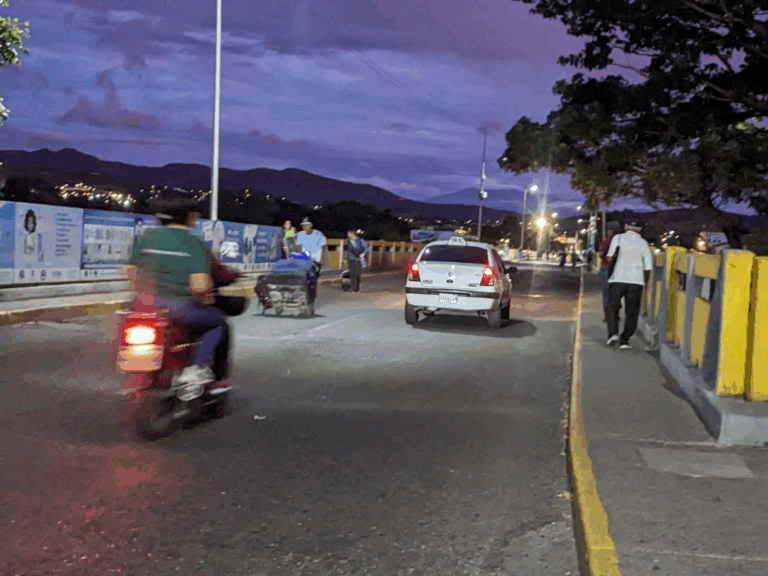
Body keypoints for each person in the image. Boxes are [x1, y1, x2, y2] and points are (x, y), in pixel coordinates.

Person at [127, 199, 229, 390]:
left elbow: (131, 272)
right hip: (179, 309)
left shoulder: (146, 237)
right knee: (218, 322)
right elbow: (199, 286)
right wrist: (206, 297)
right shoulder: (193, 244)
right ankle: (196, 367)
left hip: (145, 308)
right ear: (190, 217)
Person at [605, 221, 653, 350]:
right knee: (632, 311)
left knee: (612, 307)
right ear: (640, 228)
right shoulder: (643, 243)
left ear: (625, 227)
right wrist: (646, 282)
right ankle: (625, 340)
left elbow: (609, 257)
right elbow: (648, 266)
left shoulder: (618, 238)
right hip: (636, 281)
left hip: (617, 279)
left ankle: (613, 334)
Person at [599, 222, 621, 322]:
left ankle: (608, 316)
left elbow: (601, 254)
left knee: (606, 293)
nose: (608, 231)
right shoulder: (621, 241)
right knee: (616, 293)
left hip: (606, 268)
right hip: (618, 270)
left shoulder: (606, 241)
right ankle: (615, 315)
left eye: (609, 229)